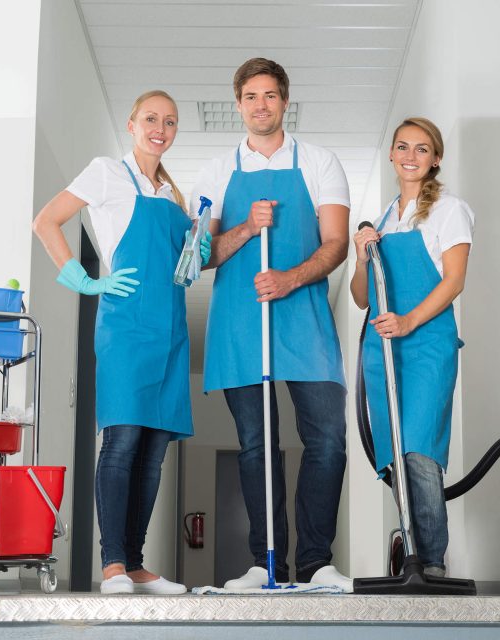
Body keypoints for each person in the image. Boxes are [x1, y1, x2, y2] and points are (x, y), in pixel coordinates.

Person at [33, 90, 209, 595]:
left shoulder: (174, 196)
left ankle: (135, 563)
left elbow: (188, 263)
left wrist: (201, 248)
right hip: (127, 326)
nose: (161, 128)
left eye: (170, 122)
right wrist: (84, 281)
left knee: (154, 450)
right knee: (124, 439)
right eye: (151, 118)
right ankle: (112, 565)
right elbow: (46, 221)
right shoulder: (107, 172)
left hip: (171, 329)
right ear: (132, 124)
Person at [193, 58, 351, 590]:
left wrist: (290, 279)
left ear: (285, 102)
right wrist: (246, 226)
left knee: (327, 439)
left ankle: (314, 562)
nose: (261, 105)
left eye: (270, 95)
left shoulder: (321, 162)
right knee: (257, 446)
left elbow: (335, 245)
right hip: (241, 320)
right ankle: (266, 564)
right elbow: (202, 256)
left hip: (303, 313)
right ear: (238, 104)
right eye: (251, 96)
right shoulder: (216, 170)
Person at [350, 117, 474, 578]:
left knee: (420, 451)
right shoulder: (381, 218)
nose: (410, 156)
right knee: (394, 456)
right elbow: (361, 296)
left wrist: (409, 321)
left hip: (425, 345)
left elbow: (454, 280)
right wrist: (361, 256)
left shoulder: (449, 209)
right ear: (391, 154)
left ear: (435, 158)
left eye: (422, 149)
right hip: (382, 352)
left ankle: (432, 564)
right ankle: (411, 547)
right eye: (403, 147)